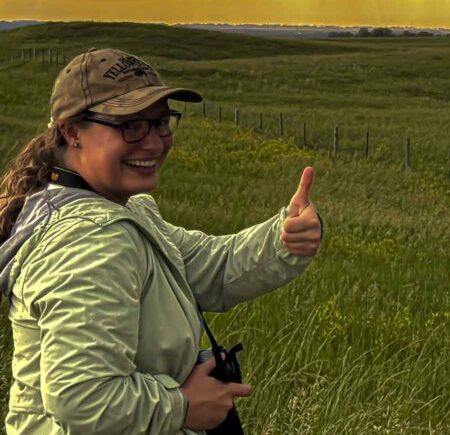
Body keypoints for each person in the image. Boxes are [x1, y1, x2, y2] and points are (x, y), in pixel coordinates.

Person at [0, 48, 323, 434]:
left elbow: (204, 267)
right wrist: (182, 406)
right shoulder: (92, 239)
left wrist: (283, 236)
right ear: (72, 132)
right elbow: (80, 396)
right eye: (131, 126)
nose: (154, 143)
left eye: (161, 123)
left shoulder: (124, 210)